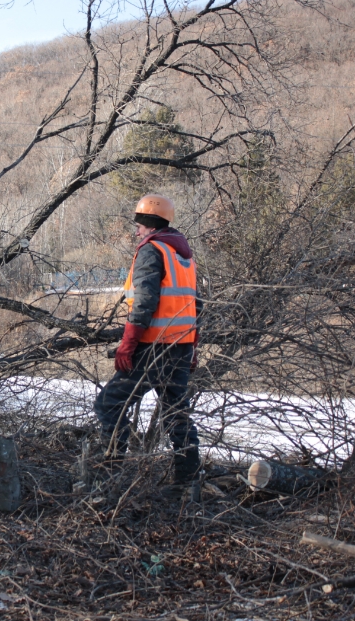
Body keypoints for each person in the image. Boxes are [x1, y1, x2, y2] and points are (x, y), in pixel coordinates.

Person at [93, 194, 201, 489]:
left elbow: (143, 303)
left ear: (150, 225)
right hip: (179, 346)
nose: (136, 231)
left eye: (139, 225)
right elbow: (196, 305)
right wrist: (192, 347)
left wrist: (128, 344)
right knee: (177, 415)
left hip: (152, 348)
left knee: (109, 404)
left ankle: (108, 479)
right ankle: (188, 488)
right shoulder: (184, 256)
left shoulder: (151, 251)